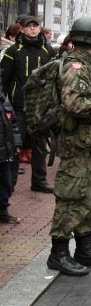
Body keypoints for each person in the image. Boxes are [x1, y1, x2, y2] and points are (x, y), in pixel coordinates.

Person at [46, 17, 91, 276]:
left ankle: (84, 247)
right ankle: (59, 252)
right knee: (71, 197)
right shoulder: (76, 67)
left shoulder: (87, 65)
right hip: (76, 144)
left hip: (89, 144)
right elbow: (74, 104)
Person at [1, 15, 57, 193]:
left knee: (40, 146)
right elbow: (4, 78)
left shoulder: (48, 51)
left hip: (41, 107)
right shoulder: (13, 51)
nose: (33, 29)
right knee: (15, 145)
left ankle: (39, 181)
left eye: (36, 26)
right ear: (22, 29)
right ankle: (11, 183)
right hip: (19, 106)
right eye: (29, 26)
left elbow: (54, 78)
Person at [0, 85, 21, 224]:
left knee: (5, 183)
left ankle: (2, 212)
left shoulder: (3, 100)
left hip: (5, 151)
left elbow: (13, 124)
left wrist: (17, 144)